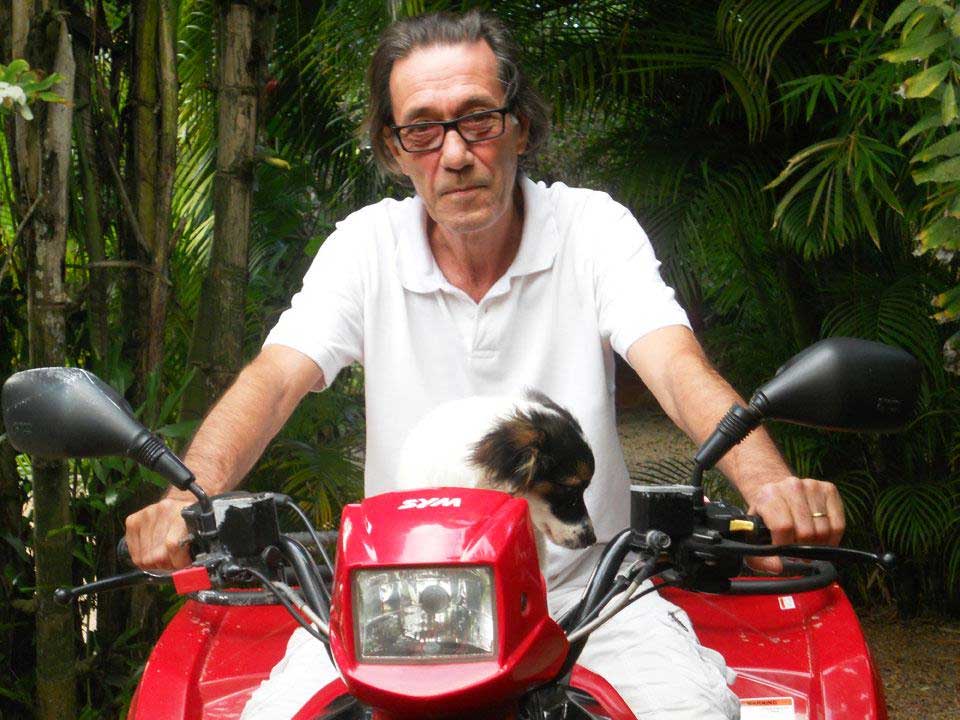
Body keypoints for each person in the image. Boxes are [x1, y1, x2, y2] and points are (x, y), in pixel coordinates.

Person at [124, 10, 845, 720]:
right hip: (393, 602)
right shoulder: (365, 247)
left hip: (586, 594)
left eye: (479, 119)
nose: (455, 153)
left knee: (690, 708)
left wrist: (768, 484)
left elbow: (675, 366)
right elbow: (277, 377)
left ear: (521, 127)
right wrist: (191, 494)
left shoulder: (592, 229)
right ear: (394, 148)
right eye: (422, 129)